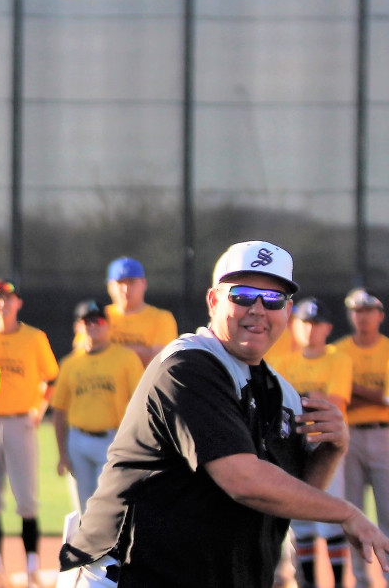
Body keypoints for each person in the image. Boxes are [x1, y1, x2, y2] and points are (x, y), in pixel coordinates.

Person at [60, 240, 389, 588]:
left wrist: (331, 450)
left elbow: (291, 495)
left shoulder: (281, 392)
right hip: (127, 574)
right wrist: (347, 512)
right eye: (243, 294)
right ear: (214, 301)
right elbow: (243, 480)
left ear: (287, 312)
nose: (258, 309)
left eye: (273, 299)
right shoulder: (187, 365)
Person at [0, 279, 59, 588]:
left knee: (26, 499)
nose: (2, 304)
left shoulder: (34, 338)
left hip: (21, 421)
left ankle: (32, 568)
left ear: (18, 303)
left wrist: (38, 410)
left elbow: (51, 378)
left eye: (7, 298)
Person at [276, 298, 352, 588]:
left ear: (328, 328)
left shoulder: (338, 359)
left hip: (326, 442)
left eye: (316, 324)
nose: (310, 329)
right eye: (305, 322)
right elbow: (279, 404)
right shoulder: (282, 362)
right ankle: (306, 583)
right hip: (292, 443)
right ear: (294, 326)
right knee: (299, 521)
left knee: (330, 513)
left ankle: (338, 584)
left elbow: (332, 403)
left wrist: (297, 396)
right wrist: (312, 395)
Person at [50, 300, 144, 513]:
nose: (92, 325)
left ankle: (111, 547)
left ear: (108, 325)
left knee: (110, 505)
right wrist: (62, 453)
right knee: (84, 508)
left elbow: (140, 405)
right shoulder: (70, 364)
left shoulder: (126, 358)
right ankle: (86, 547)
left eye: (98, 320)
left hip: (112, 440)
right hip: (78, 441)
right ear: (78, 327)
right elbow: (59, 411)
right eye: (86, 321)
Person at [335, 288, 389, 588]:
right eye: (357, 310)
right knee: (351, 511)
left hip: (384, 436)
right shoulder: (339, 350)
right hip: (349, 436)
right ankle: (359, 579)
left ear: (380, 315)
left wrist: (351, 389)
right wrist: (374, 396)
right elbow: (336, 398)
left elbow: (387, 400)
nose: (362, 316)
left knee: (388, 509)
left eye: (368, 310)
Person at [101, 257, 178, 366]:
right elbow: (84, 355)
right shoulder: (99, 317)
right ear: (109, 286)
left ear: (144, 284)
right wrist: (143, 351)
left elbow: (159, 359)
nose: (126, 289)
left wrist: (107, 349)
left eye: (131, 282)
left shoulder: (162, 318)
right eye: (120, 283)